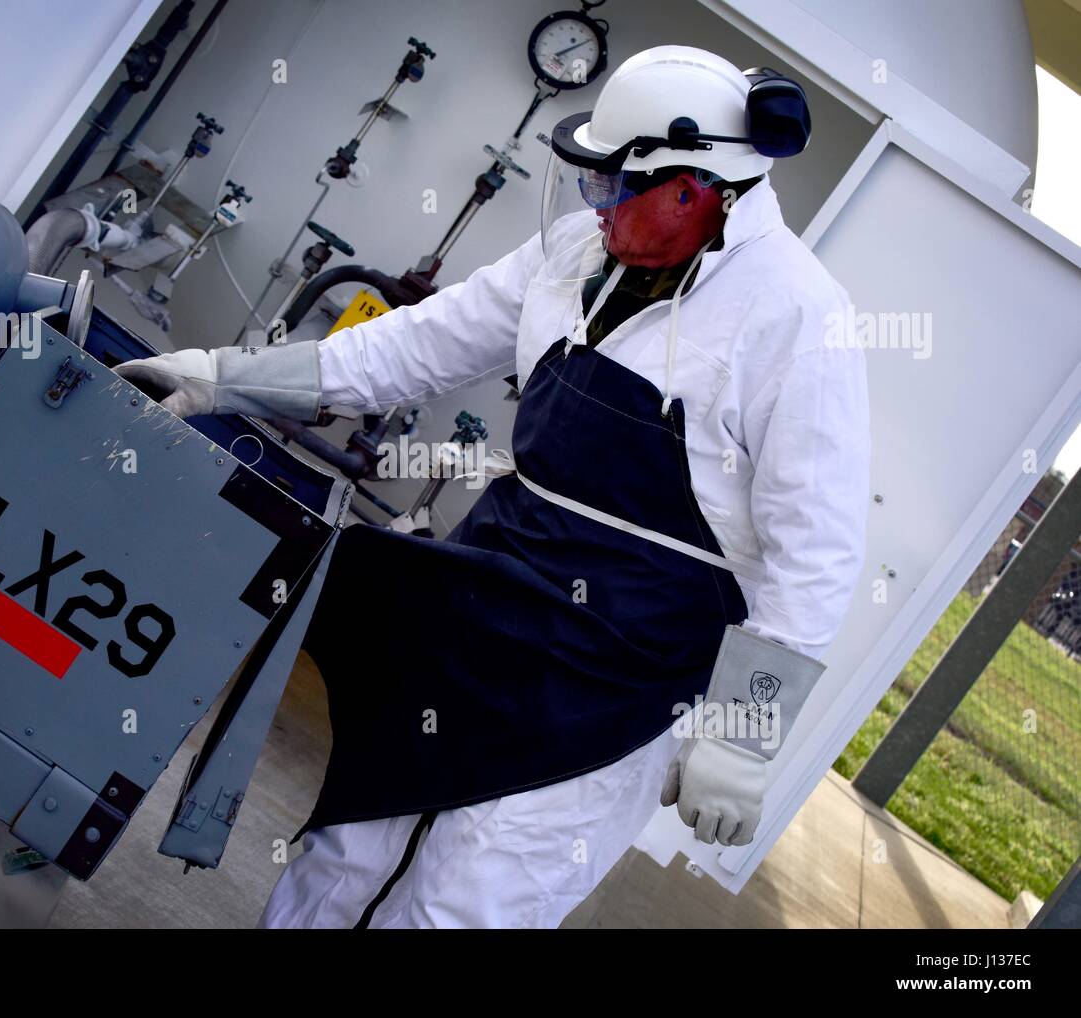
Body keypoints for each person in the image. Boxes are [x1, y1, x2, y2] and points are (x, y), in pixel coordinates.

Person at [115, 45, 871, 929]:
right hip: (491, 592)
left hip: (623, 665)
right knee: (353, 842)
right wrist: (223, 376)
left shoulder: (798, 318)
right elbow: (410, 348)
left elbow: (817, 554)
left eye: (613, 189)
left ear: (693, 189)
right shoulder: (572, 257)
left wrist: (741, 740)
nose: (596, 211)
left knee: (468, 899)